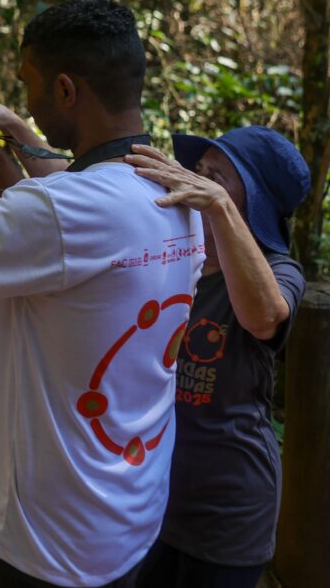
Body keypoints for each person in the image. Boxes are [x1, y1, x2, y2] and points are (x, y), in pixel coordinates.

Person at [0, 0, 205, 587]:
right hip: (129, 514)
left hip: (47, 541)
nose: (25, 100)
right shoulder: (174, 187)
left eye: (30, 86)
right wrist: (10, 144)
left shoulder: (65, 210)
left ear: (67, 90)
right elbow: (69, 231)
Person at [124, 127, 310, 588]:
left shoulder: (278, 271)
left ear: (252, 204)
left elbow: (264, 317)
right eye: (199, 169)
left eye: (217, 177)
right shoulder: (176, 250)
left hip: (230, 512)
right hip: (154, 498)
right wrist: (10, 133)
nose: (195, 181)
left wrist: (220, 207)